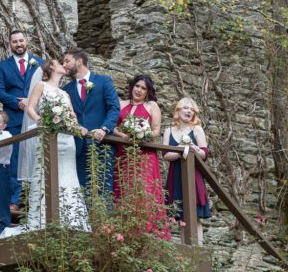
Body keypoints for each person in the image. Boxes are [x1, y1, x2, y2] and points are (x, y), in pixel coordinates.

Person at [0, 58, 89, 237]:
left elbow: (72, 117)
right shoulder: (41, 85)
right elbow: (30, 109)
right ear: (51, 68)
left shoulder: (65, 94)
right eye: (59, 63)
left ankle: (71, 221)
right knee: (46, 174)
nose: (64, 65)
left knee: (68, 175)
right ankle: (44, 220)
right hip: (48, 136)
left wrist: (77, 127)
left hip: (66, 141)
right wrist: (41, 121)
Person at [112, 74, 168, 239]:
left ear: (148, 91)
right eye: (137, 86)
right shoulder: (121, 104)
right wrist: (122, 135)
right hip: (123, 154)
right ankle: (123, 231)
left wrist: (143, 134)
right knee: (122, 189)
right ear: (132, 87)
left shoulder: (152, 106)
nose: (139, 90)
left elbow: (156, 130)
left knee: (144, 190)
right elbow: (113, 127)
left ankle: (145, 233)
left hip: (144, 156)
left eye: (143, 88)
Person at [0, 29, 42, 214]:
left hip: (36, 120)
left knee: (37, 159)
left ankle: (37, 199)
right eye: (15, 42)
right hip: (14, 120)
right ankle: (16, 200)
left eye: (21, 40)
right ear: (9, 44)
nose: (19, 44)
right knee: (15, 161)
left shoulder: (40, 63)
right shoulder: (3, 66)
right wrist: (18, 102)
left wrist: (33, 103)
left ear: (26, 41)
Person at [61, 48, 120, 194]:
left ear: (79, 61)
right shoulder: (66, 90)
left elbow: (114, 108)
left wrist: (104, 129)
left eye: (67, 61)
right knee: (81, 190)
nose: (64, 65)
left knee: (103, 188)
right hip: (77, 146)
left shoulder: (103, 81)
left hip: (102, 144)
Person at [162, 96, 211, 245]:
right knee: (181, 215)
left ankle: (199, 250)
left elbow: (204, 154)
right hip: (175, 175)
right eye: (186, 108)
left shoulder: (196, 130)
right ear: (178, 110)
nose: (189, 111)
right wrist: (180, 151)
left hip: (193, 175)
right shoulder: (168, 131)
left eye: (192, 110)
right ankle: (186, 250)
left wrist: (194, 150)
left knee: (194, 214)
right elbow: (165, 155)